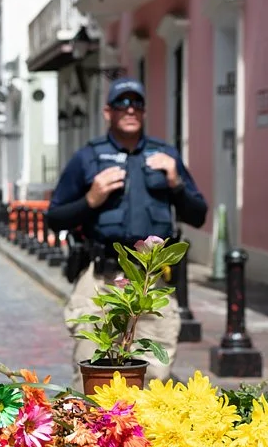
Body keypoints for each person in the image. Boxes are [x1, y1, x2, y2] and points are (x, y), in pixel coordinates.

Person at [47, 78, 207, 384]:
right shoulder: (88, 157)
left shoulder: (165, 156)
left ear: (144, 111)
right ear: (108, 111)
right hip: (101, 280)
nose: (130, 109)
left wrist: (176, 183)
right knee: (92, 375)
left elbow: (198, 215)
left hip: (151, 283)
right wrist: (90, 200)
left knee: (154, 376)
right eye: (122, 103)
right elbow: (55, 218)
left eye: (137, 103)